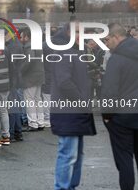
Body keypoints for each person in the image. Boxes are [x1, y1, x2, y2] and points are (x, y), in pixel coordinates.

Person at [50, 22, 96, 190]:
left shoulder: (77, 50)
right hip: (67, 109)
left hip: (76, 109)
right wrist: (81, 100)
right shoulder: (64, 50)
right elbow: (64, 82)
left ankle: (71, 186)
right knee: (68, 154)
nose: (79, 35)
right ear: (67, 33)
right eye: (76, 32)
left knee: (77, 155)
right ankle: (62, 187)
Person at [101, 23, 138, 190]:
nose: (106, 43)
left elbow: (110, 91)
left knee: (124, 161)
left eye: (107, 39)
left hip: (122, 116)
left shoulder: (116, 59)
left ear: (116, 37)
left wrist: (107, 116)